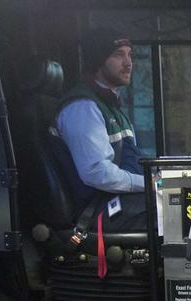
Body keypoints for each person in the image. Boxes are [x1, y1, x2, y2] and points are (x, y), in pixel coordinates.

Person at [55, 26, 146, 233]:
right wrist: (150, 183)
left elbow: (130, 161)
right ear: (98, 59)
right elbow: (96, 173)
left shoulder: (111, 106)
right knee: (182, 211)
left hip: (117, 199)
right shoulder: (82, 107)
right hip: (98, 210)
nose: (128, 63)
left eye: (130, 55)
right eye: (118, 55)